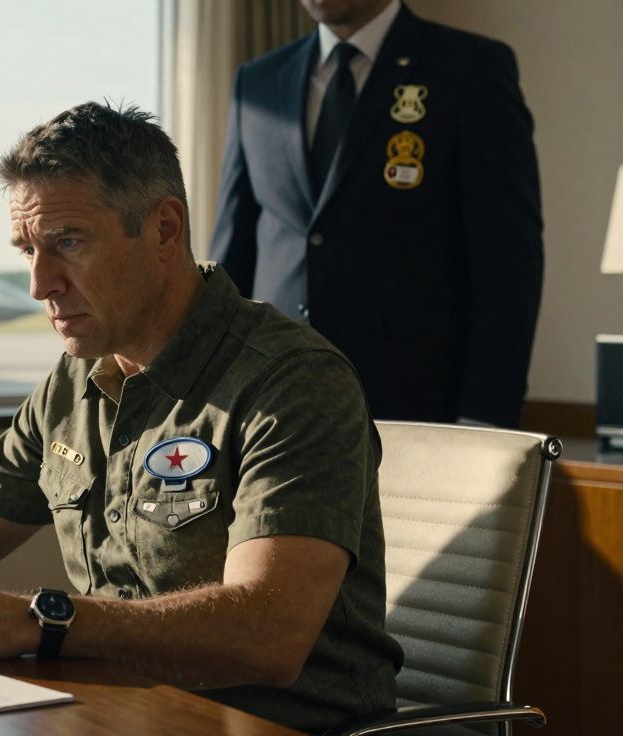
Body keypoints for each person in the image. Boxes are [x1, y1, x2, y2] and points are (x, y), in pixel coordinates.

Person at [0, 102, 402, 733]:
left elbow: (268, 632)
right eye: (27, 249)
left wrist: (38, 620)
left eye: (69, 243)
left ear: (165, 229)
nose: (39, 283)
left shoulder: (292, 381)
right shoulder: (77, 378)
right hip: (119, 715)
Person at [210, 0, 543, 428]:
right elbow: (232, 259)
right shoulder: (257, 82)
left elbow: (507, 261)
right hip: (270, 405)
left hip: (415, 408)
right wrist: (212, 393)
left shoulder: (468, 68)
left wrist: (486, 417)